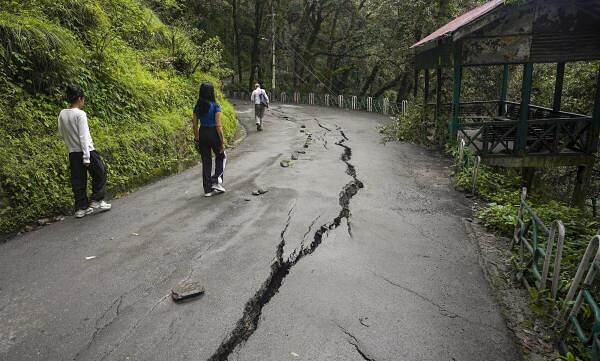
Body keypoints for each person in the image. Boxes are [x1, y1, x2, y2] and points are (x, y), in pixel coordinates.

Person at [58, 85, 111, 218]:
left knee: (78, 180)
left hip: (73, 152)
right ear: (80, 99)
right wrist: (86, 157)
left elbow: (62, 132)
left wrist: (70, 146)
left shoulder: (62, 114)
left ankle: (81, 208)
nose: (84, 102)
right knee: (100, 172)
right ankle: (97, 200)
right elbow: (84, 136)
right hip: (87, 151)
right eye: (83, 99)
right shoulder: (80, 114)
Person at [192, 83, 227, 197]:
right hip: (213, 133)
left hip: (202, 133)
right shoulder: (215, 106)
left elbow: (194, 124)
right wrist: (222, 141)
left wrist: (197, 139)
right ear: (212, 92)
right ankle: (216, 180)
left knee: (206, 162)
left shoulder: (198, 106)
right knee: (221, 156)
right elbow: (218, 125)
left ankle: (207, 190)